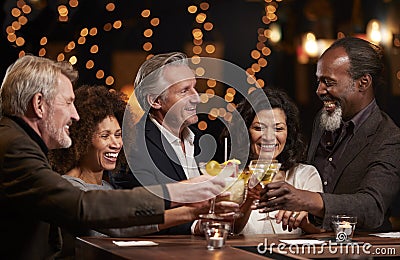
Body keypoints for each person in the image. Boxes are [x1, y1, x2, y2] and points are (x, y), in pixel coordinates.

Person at [0, 55, 226, 259]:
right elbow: (84, 206)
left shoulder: (18, 141)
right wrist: (178, 192)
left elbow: (115, 223)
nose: (75, 114)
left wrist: (192, 210)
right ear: (39, 104)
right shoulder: (14, 147)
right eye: (68, 102)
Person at [49, 85, 214, 257]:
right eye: (105, 136)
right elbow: (121, 225)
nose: (116, 144)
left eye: (118, 134)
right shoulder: (70, 186)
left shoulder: (108, 186)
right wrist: (189, 210)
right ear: (80, 140)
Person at [259, 37, 400, 232]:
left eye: (328, 82)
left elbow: (372, 207)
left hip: (363, 249)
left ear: (363, 82)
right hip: (315, 244)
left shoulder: (389, 137)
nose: (319, 90)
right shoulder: (323, 119)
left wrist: (306, 200)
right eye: (318, 81)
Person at [111, 52, 223, 234]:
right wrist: (195, 226)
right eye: (184, 91)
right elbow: (140, 211)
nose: (197, 98)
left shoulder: (202, 140)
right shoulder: (132, 146)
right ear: (155, 101)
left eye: (194, 88)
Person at [224, 88, 323, 234]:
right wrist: (249, 200)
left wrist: (303, 222)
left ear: (288, 133)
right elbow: (223, 229)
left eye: (278, 128)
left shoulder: (305, 175)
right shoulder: (228, 176)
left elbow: (321, 233)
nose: (269, 137)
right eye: (259, 128)